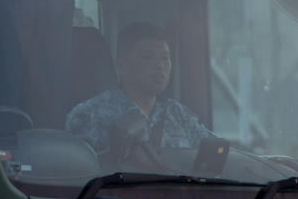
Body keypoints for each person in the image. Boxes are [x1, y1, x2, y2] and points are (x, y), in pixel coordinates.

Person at [65, 22, 212, 163]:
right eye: (147, 57)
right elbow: (73, 174)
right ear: (121, 66)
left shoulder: (179, 114)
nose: (160, 66)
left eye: (165, 58)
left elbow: (220, 153)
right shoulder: (89, 116)